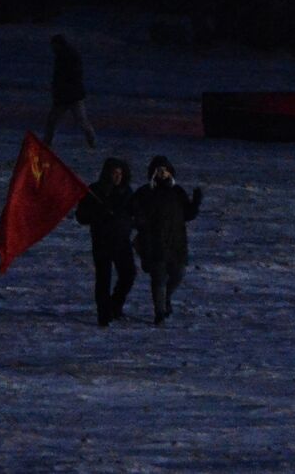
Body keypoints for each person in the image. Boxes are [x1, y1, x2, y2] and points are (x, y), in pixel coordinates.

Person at [131, 156, 203, 325]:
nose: (162, 172)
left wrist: (195, 204)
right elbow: (133, 211)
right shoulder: (145, 192)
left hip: (176, 242)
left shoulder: (177, 192)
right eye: (159, 169)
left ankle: (166, 299)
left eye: (165, 169)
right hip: (154, 243)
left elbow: (187, 215)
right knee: (159, 278)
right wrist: (140, 224)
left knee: (178, 274)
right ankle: (160, 313)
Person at [75, 158, 136, 326]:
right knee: (103, 279)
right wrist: (99, 213)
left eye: (120, 174)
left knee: (128, 274)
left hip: (122, 241)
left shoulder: (126, 192)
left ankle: (114, 306)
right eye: (114, 173)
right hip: (102, 241)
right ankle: (104, 315)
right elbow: (81, 216)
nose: (117, 177)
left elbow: (133, 213)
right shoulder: (96, 190)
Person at [43, 34, 96, 148]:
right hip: (74, 95)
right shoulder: (69, 55)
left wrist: (58, 92)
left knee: (52, 121)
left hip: (67, 96)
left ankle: (46, 143)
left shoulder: (64, 57)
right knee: (82, 121)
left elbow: (62, 77)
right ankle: (92, 143)